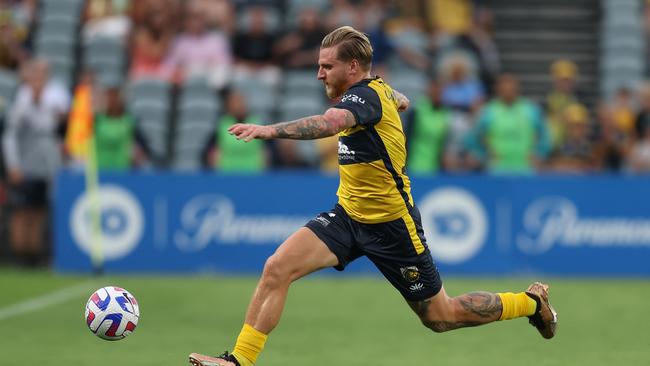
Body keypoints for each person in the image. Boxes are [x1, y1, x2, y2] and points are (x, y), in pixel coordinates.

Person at [188, 26, 557, 366]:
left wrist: (269, 130)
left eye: (326, 66)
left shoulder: (363, 98)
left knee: (440, 317)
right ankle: (239, 360)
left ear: (352, 67)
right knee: (276, 268)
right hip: (348, 217)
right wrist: (397, 98)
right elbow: (401, 99)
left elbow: (330, 123)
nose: (319, 74)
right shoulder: (375, 92)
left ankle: (529, 303)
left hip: (392, 226)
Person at [466, 74, 550, 174]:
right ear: (498, 91)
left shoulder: (530, 110)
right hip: (497, 169)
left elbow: (545, 135)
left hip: (525, 168)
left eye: (511, 89)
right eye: (504, 90)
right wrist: (485, 155)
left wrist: (538, 155)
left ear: (517, 90)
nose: (508, 93)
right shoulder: (488, 111)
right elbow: (472, 137)